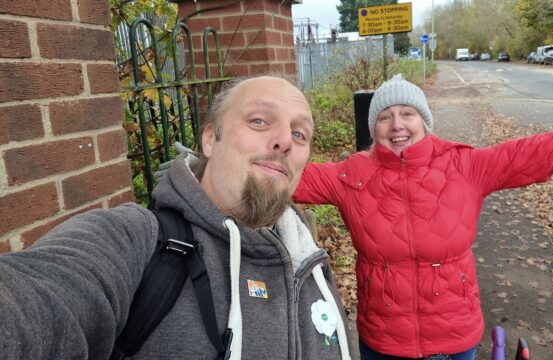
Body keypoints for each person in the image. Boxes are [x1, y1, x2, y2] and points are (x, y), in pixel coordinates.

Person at [0, 76, 352, 360]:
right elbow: (39, 302)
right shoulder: (136, 242)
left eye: (299, 133)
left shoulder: (306, 255)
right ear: (212, 138)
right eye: (259, 120)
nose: (284, 141)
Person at [291, 74, 553, 359]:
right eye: (385, 116)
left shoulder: (466, 165)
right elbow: (278, 179)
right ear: (374, 127)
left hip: (455, 335)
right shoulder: (349, 177)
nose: (397, 125)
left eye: (408, 113)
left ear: (425, 122)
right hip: (383, 341)